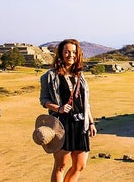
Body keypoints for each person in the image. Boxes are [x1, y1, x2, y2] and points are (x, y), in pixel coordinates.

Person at [39, 39, 97, 182]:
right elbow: (44, 100)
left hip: (80, 124)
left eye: (74, 52)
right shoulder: (50, 76)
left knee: (80, 165)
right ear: (61, 53)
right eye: (67, 52)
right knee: (61, 165)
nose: (70, 55)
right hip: (62, 125)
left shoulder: (80, 75)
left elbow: (86, 103)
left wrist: (91, 123)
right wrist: (58, 108)